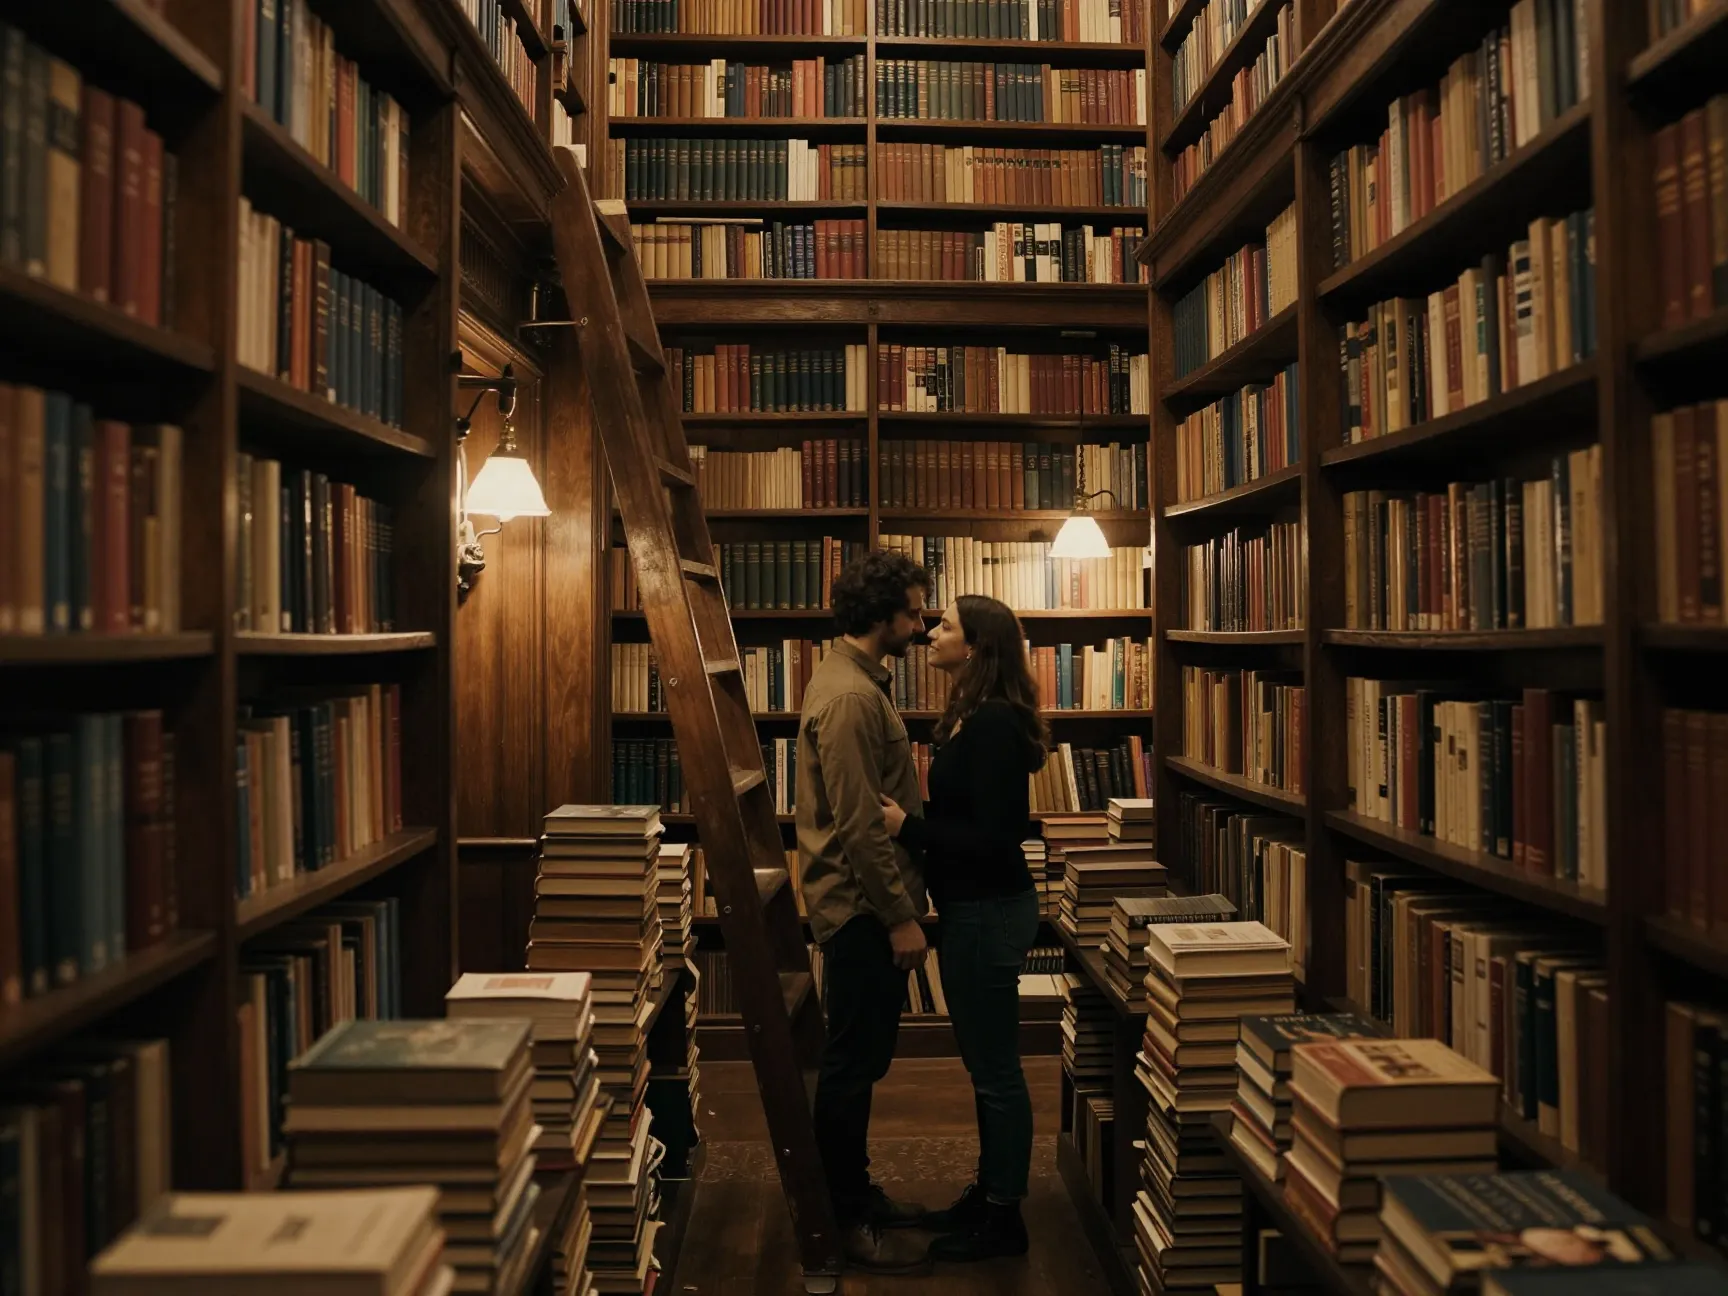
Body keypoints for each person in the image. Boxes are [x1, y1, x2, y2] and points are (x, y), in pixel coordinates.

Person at [879, 593, 1048, 1262]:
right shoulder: (976, 716)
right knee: (986, 1068)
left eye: (944, 625)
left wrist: (907, 829)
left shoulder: (995, 724)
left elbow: (997, 837)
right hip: (975, 910)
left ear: (975, 646)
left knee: (996, 1071)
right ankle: (991, 1195)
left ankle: (1004, 1218)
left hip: (987, 911)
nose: (931, 634)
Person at [796, 549, 936, 1274]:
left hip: (858, 907)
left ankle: (853, 1194)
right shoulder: (851, 697)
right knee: (851, 1067)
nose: (921, 622)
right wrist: (899, 916)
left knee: (861, 1061)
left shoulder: (852, 681)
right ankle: (842, 1219)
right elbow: (857, 823)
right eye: (912, 610)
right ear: (880, 614)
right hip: (859, 911)